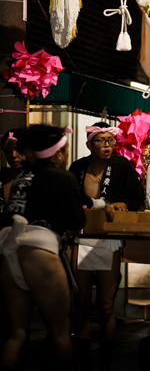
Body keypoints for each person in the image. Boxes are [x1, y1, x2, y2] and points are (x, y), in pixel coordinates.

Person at [0, 124, 85, 371]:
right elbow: (76, 222)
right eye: (65, 149)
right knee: (60, 331)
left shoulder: (22, 177)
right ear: (57, 153)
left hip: (8, 249)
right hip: (39, 249)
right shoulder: (63, 177)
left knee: (16, 333)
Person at [69, 121, 143, 370]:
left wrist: (121, 202)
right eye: (100, 141)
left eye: (110, 140)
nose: (106, 145)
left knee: (106, 303)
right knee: (79, 301)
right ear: (89, 143)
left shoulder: (121, 165)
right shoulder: (78, 167)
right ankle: (82, 356)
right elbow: (70, 201)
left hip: (109, 239)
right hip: (81, 238)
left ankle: (107, 359)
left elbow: (137, 198)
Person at [0, 128, 25, 212]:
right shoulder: (2, 178)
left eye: (18, 150)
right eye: (8, 151)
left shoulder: (36, 178)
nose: (13, 155)